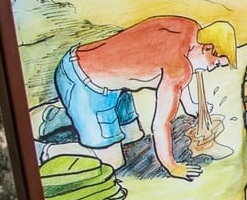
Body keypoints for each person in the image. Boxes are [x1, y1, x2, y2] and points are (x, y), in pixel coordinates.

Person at [50, 16, 236, 180]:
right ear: (208, 48)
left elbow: (179, 75)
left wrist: (190, 106)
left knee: (133, 137)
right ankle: (49, 150)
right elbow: (160, 123)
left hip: (113, 85)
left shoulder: (190, 28)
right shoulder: (179, 68)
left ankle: (67, 115)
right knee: (113, 163)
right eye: (217, 63)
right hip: (84, 83)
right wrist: (171, 166)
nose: (212, 68)